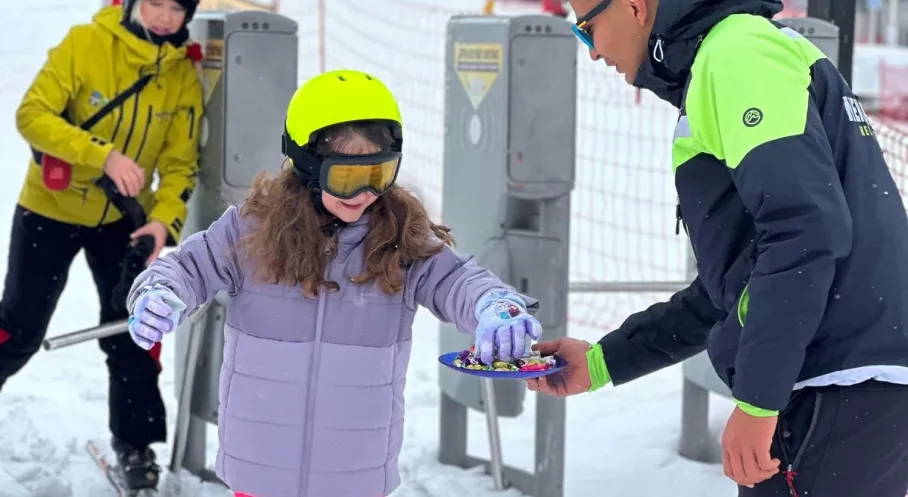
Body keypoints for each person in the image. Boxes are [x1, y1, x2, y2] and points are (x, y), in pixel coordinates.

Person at [529, 0, 908, 496]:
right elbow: (735, 289)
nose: (593, 51)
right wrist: (603, 362)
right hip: (848, 384)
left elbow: (805, 232)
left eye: (587, 28)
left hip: (832, 386)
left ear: (635, 7)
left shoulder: (737, 53)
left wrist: (758, 401)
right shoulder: (732, 54)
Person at [124, 69, 543, 497]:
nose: (364, 192)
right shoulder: (253, 230)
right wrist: (158, 291)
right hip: (261, 468)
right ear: (307, 166)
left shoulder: (398, 236)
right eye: (346, 177)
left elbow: (456, 280)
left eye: (379, 173)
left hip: (354, 474)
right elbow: (188, 267)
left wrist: (492, 302)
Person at [2, 0, 202, 491]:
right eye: (154, 3)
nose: (164, 17)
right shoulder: (86, 43)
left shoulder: (183, 75)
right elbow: (31, 115)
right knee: (20, 328)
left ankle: (135, 445)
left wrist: (163, 223)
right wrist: (103, 157)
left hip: (122, 221)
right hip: (49, 210)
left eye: (177, 8)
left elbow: (180, 166)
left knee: (134, 328)